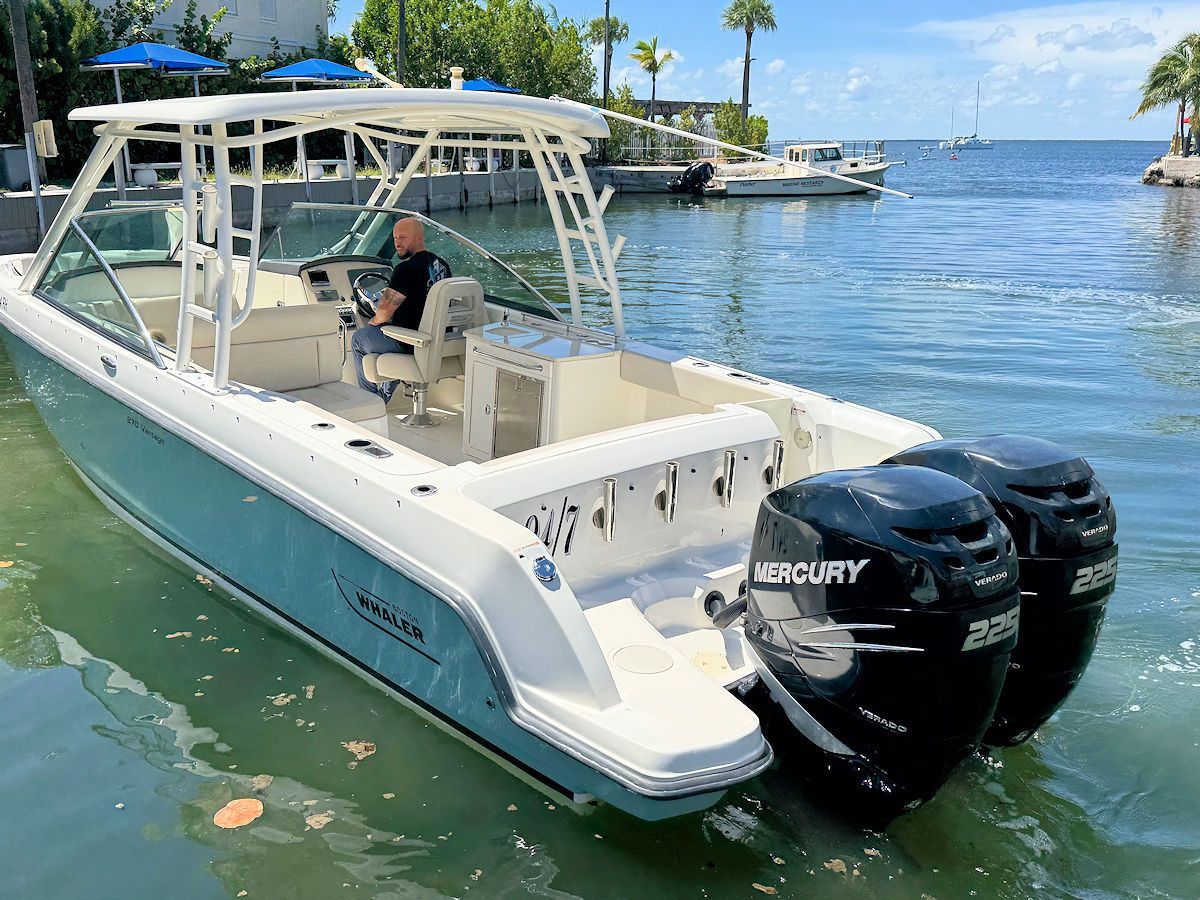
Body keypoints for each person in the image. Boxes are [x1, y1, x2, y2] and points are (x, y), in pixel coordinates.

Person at [352, 218, 451, 403]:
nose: (397, 243)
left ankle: (371, 401)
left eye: (403, 237)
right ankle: (383, 396)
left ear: (419, 238)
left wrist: (374, 321)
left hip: (410, 341)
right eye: (395, 237)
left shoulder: (405, 269)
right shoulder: (442, 265)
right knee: (387, 332)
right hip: (437, 340)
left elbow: (384, 312)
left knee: (359, 339)